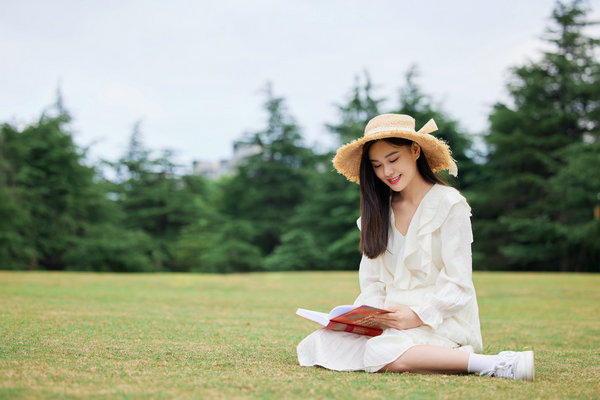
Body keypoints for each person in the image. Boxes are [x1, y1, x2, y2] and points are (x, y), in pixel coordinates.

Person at [296, 114, 534, 380]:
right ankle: (425, 356)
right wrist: (367, 319)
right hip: (391, 322)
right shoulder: (377, 213)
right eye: (376, 165)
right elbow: (373, 282)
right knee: (318, 343)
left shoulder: (449, 204)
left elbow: (459, 284)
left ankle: (490, 363)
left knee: (379, 352)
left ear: (415, 150)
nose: (387, 172)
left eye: (393, 159)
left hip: (440, 320)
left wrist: (418, 315)